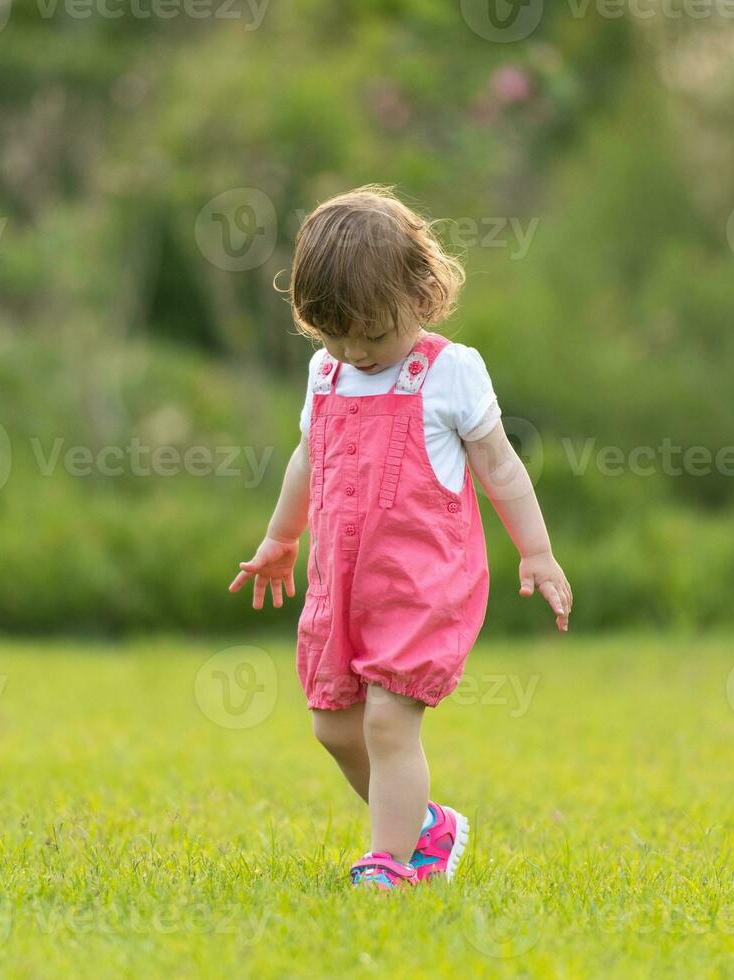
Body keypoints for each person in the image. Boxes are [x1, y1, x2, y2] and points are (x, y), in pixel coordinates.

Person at [229, 186, 572, 889]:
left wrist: (535, 551)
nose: (354, 352)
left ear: (420, 295)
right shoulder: (326, 373)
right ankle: (427, 828)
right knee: (333, 727)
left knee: (388, 722)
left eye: (370, 336)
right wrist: (280, 538)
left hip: (420, 581)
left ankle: (388, 862)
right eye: (335, 337)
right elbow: (307, 457)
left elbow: (498, 466)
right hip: (342, 582)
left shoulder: (448, 371)